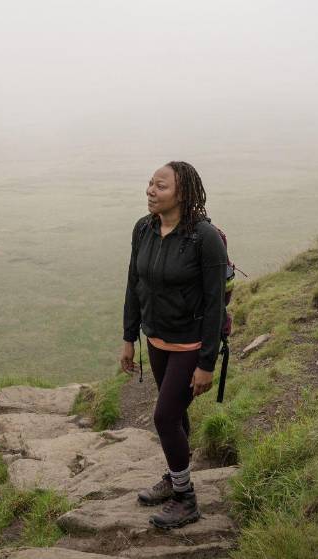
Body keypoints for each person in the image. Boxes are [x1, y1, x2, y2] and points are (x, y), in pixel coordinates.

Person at [120, 160, 227, 529]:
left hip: (190, 344)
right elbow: (134, 283)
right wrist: (128, 337)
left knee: (164, 416)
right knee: (176, 416)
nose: (151, 190)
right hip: (157, 339)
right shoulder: (144, 229)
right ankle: (174, 475)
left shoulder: (203, 237)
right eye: (150, 183)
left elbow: (215, 303)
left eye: (161, 186)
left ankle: (186, 498)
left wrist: (207, 363)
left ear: (182, 193)